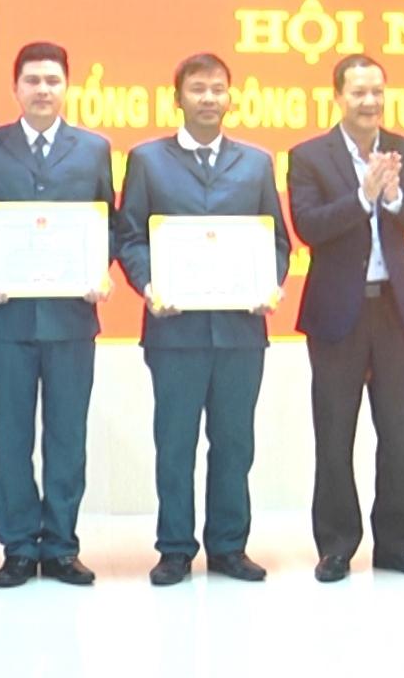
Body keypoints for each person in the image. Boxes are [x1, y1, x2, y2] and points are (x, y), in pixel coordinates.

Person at [117, 52, 291, 586]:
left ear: (230, 97)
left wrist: (268, 283)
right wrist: (150, 285)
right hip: (175, 330)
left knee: (235, 443)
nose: (209, 98)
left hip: (240, 331)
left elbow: (276, 241)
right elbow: (130, 236)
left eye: (218, 89)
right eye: (198, 89)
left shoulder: (256, 163)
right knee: (175, 444)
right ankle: (174, 548)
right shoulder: (148, 160)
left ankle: (229, 547)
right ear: (178, 98)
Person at [0, 41, 116, 588]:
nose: (43, 89)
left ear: (67, 87)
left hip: (72, 318)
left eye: (52, 80)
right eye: (32, 80)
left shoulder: (93, 149)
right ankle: (20, 546)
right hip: (8, 319)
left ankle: (63, 545)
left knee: (67, 437)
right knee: (12, 438)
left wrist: (97, 269)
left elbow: (107, 222)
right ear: (15, 87)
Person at [288, 53, 404, 583]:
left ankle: (398, 544)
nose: (370, 101)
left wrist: (395, 197)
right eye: (358, 92)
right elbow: (309, 226)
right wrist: (363, 196)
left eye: (377, 91)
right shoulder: (309, 156)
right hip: (337, 314)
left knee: (398, 434)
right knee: (335, 435)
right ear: (338, 97)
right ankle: (336, 546)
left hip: (396, 311)